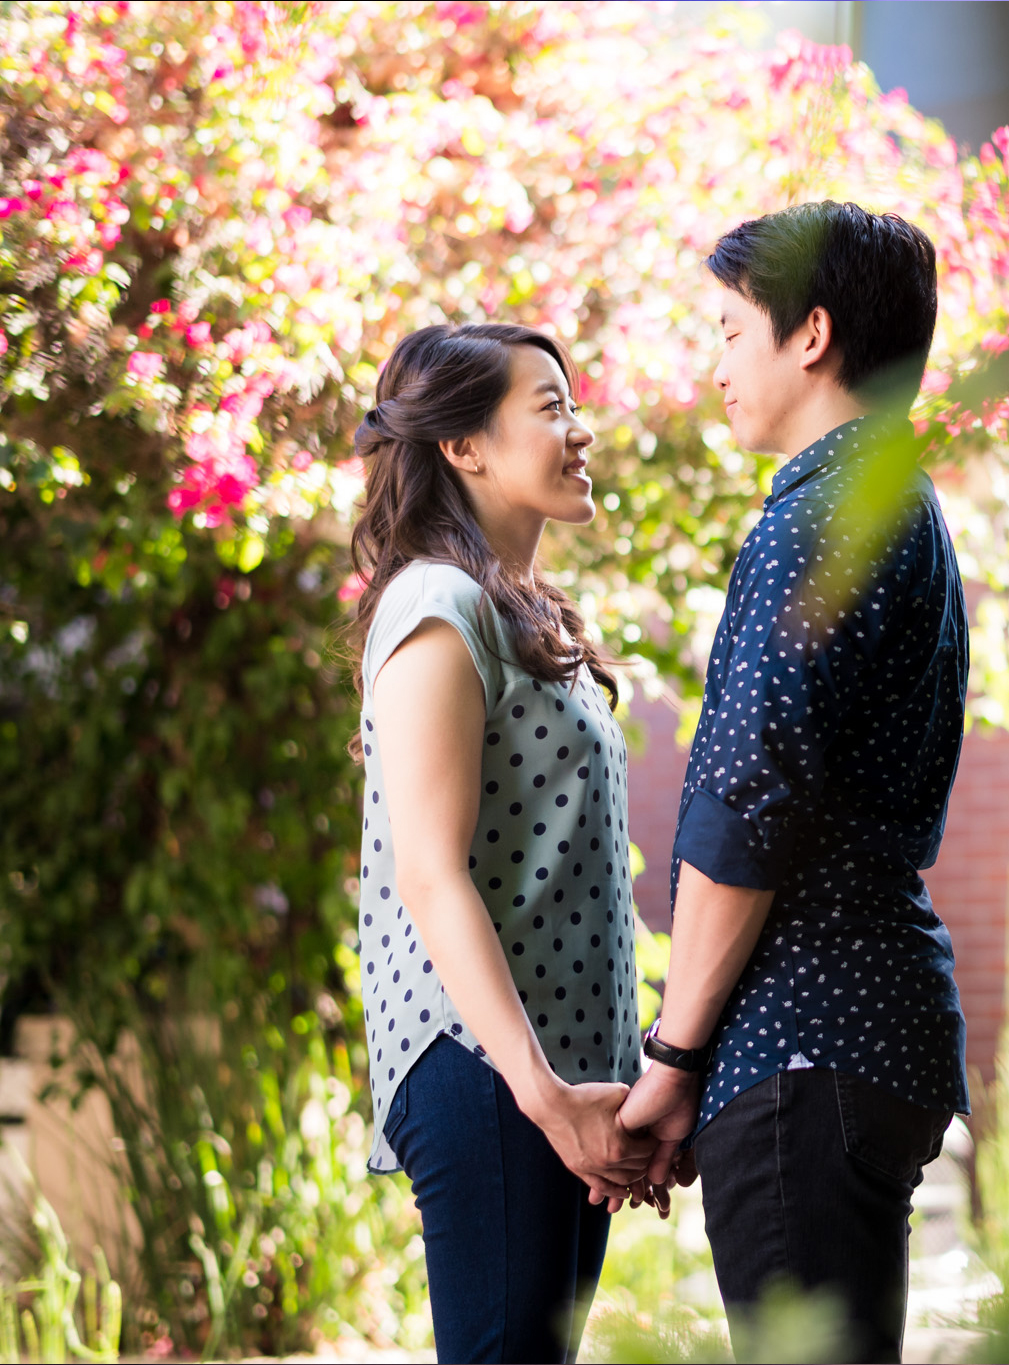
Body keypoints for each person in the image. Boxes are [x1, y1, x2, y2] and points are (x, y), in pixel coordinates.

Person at [619, 202, 969, 1363]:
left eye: (726, 331)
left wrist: (671, 1060)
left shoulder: (815, 517)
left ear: (808, 333)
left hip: (804, 1034)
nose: (713, 364)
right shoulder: (897, 506)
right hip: (874, 1024)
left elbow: (744, 811)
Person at [347, 322, 657, 1363]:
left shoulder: (523, 616)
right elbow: (429, 874)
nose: (580, 431)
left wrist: (614, 1087)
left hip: (553, 1076)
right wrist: (545, 1098)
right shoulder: (435, 609)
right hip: (489, 1068)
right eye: (551, 406)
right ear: (463, 446)